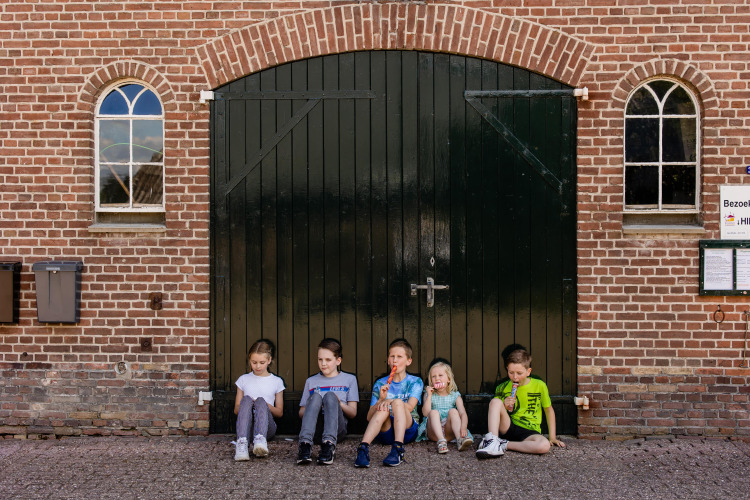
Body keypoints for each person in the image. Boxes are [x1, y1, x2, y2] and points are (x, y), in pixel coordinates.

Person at [476, 344, 565, 457]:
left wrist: (552, 437)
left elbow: (548, 410)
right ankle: (492, 441)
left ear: (528, 371)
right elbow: (497, 411)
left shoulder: (539, 385)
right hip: (509, 427)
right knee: (495, 402)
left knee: (544, 445)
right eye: (511, 372)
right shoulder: (502, 387)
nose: (515, 377)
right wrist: (504, 404)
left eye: (519, 373)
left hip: (530, 432)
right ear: (507, 369)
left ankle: (503, 444)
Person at [354, 338, 424, 468]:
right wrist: (381, 400)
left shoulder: (415, 382)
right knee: (383, 407)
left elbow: (409, 407)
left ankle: (398, 448)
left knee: (397, 402)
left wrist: (390, 400)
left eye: (399, 356)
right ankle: (363, 448)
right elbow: (369, 417)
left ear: (409, 361)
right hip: (386, 432)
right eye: (392, 356)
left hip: (408, 430)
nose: (395, 360)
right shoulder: (380, 383)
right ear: (388, 360)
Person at [296, 338, 359, 465]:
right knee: (316, 397)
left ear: (338, 360)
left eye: (328, 360)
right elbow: (301, 413)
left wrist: (338, 403)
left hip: (337, 430)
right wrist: (314, 406)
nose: (323, 363)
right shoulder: (311, 381)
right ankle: (305, 445)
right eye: (320, 359)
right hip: (315, 430)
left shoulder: (350, 379)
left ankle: (329, 446)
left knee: (330, 396)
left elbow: (353, 413)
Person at [232, 339, 285, 461]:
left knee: (261, 400)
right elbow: (236, 410)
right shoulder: (243, 380)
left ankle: (260, 441)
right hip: (247, 428)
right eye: (254, 362)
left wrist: (264, 405)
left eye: (262, 362)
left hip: (267, 429)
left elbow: (279, 412)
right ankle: (242, 444)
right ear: (249, 360)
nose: (258, 366)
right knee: (246, 399)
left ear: (269, 360)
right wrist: (250, 404)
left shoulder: (277, 381)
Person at [416, 359, 473, 453]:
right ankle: (441, 441)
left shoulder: (455, 395)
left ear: (449, 379)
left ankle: (460, 439)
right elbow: (426, 414)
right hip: (434, 433)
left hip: (450, 432)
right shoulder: (428, 394)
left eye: (440, 375)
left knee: (453, 411)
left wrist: (463, 427)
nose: (437, 378)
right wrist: (429, 395)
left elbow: (463, 413)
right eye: (433, 377)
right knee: (433, 412)